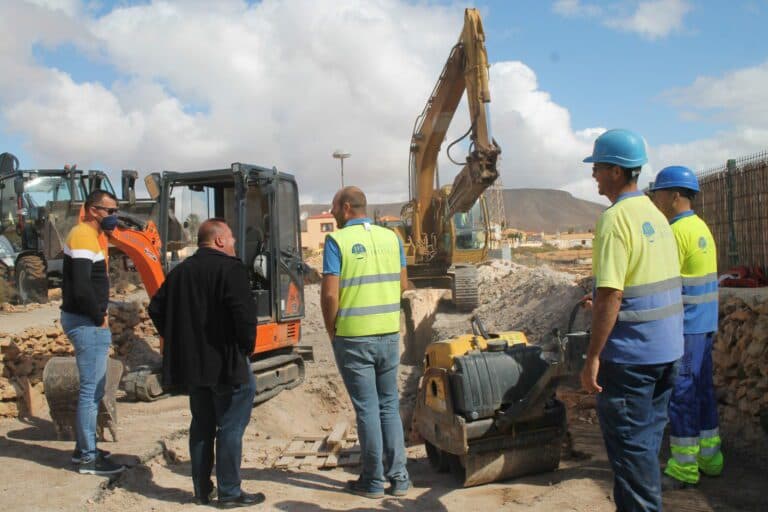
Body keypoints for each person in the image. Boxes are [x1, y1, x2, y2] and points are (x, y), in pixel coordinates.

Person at [580, 129, 684, 511]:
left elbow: (611, 293)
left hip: (631, 362)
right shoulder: (656, 216)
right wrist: (606, 305)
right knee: (641, 456)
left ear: (618, 172)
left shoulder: (614, 220)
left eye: (599, 168)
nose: (594, 175)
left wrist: (593, 356)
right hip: (666, 353)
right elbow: (640, 285)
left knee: (634, 464)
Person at [148, 218, 264, 508]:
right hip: (227, 364)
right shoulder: (231, 269)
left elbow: (156, 308)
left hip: (194, 367)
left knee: (201, 425)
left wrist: (177, 340)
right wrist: (244, 349)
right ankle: (229, 492)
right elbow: (245, 317)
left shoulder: (179, 272)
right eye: (233, 239)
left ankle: (201, 490)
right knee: (230, 427)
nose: (235, 244)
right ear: (220, 240)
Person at [320, 186, 411, 499]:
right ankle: (399, 479)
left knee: (368, 410)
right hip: (388, 335)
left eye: (333, 206)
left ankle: (372, 481)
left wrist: (331, 329)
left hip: (354, 337)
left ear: (346, 207)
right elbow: (403, 285)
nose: (331, 212)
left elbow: (330, 294)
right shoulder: (392, 238)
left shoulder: (337, 240)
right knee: (389, 406)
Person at [651, 166, 723, 490]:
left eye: (660, 193)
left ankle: (683, 468)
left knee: (681, 394)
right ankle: (710, 458)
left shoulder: (675, 233)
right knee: (703, 391)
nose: (656, 199)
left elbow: (663, 285)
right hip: (705, 324)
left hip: (688, 327)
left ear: (675, 196)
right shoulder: (701, 228)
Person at [60, 189, 126, 476]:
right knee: (90, 391)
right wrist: (99, 316)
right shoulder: (83, 234)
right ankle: (88, 458)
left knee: (95, 388)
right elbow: (81, 285)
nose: (114, 216)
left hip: (88, 320)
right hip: (87, 322)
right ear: (94, 210)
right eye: (110, 211)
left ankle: (82, 450)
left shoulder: (92, 236)